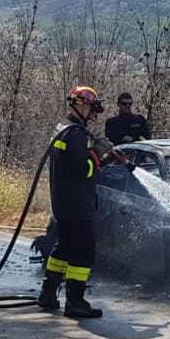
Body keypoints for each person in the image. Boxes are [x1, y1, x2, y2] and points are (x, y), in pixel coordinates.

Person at [38, 85, 110, 319]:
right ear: (79, 104)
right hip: (78, 204)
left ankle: (48, 294)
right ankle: (75, 302)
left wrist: (101, 158)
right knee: (83, 251)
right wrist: (98, 157)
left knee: (64, 247)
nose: (93, 114)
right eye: (91, 108)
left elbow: (72, 165)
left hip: (63, 202)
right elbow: (82, 170)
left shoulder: (63, 128)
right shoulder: (76, 134)